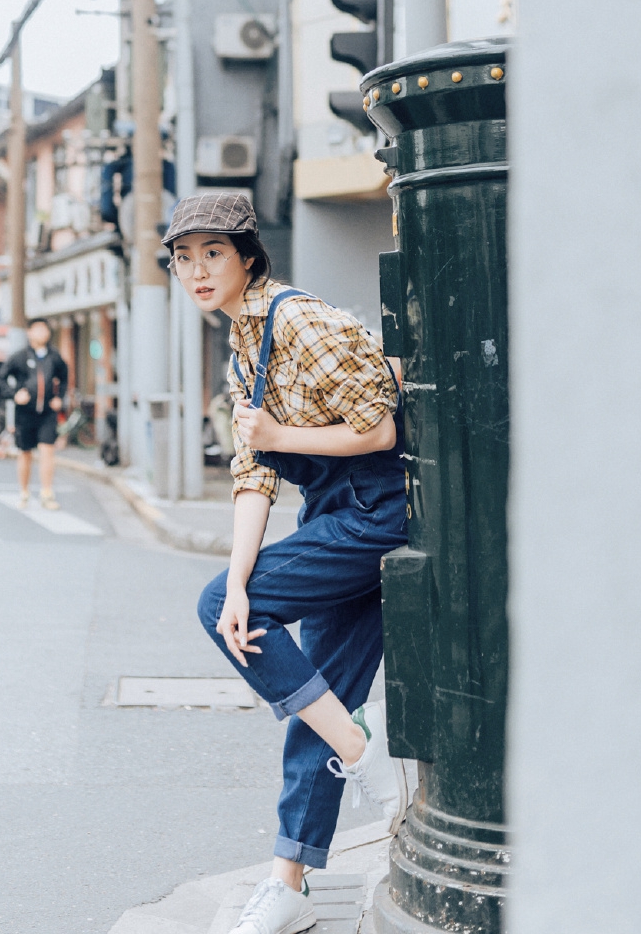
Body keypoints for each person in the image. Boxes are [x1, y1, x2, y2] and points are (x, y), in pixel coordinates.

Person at [164, 192, 409, 934]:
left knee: (226, 620)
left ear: (247, 257)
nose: (198, 270)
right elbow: (253, 477)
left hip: (380, 509)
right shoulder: (243, 347)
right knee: (313, 696)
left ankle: (365, 752)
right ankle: (291, 885)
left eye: (213, 254)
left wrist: (277, 430)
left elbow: (379, 426)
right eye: (184, 258)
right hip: (336, 515)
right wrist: (240, 582)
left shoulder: (293, 319)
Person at [0, 319, 68, 509]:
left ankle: (47, 493)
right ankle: (24, 492)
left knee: (47, 450)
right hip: (25, 413)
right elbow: (1, 377)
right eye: (37, 329)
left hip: (47, 413)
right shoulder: (20, 357)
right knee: (25, 452)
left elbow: (64, 377)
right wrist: (14, 395)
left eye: (44, 329)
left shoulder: (54, 357)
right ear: (29, 332)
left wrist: (59, 397)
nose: (42, 333)